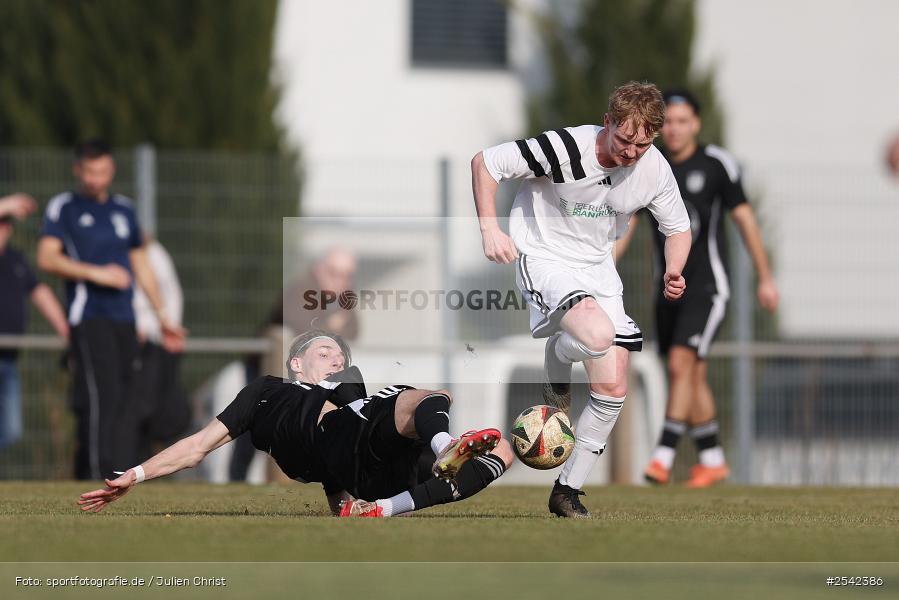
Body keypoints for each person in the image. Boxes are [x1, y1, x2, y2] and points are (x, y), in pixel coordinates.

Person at [471, 81, 692, 518]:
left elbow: (678, 228)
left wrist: (674, 269)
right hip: (544, 256)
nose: (630, 153)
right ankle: (560, 350)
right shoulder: (565, 148)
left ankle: (566, 490)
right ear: (608, 122)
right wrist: (489, 228)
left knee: (614, 384)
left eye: (642, 144)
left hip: (598, 268)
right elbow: (485, 163)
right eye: (624, 140)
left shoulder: (654, 169)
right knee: (596, 332)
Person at [77, 330, 513, 518]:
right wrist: (135, 474)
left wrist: (342, 504)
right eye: (325, 352)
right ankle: (446, 448)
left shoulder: (345, 389)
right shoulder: (266, 390)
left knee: (508, 450)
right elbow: (196, 447)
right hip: (352, 446)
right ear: (296, 362)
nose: (337, 359)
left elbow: (330, 470)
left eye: (340, 355)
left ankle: (391, 504)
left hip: (368, 467)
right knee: (434, 395)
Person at [616, 89, 779, 487]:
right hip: (667, 288)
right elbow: (629, 222)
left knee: (680, 364)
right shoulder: (648, 162)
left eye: (682, 121)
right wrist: (601, 266)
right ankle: (712, 459)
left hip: (709, 288)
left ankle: (663, 455)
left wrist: (766, 277)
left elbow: (745, 220)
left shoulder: (717, 164)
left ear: (696, 124)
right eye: (667, 121)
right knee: (691, 374)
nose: (673, 129)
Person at [37, 139, 185, 480]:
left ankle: (118, 471)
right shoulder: (65, 207)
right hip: (89, 318)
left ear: (111, 170)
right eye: (89, 172)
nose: (95, 179)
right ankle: (95, 472)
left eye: (101, 171)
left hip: (125, 320)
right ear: (78, 170)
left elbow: (141, 265)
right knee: (100, 398)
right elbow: (47, 257)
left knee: (123, 399)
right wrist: (96, 273)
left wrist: (163, 316)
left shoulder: (124, 210)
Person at [228, 246, 359, 481]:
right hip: (266, 366)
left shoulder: (341, 297)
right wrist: (333, 324)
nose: (342, 281)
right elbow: (301, 326)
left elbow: (353, 328)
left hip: (298, 372)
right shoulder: (302, 289)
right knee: (249, 423)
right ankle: (237, 479)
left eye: (347, 275)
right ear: (320, 269)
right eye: (336, 273)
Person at [0, 194, 69, 452]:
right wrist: (7, 204)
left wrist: (64, 329)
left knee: (11, 429)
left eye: (6, 222)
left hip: (8, 356)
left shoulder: (16, 259)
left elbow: (40, 293)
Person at [132, 236, 190, 461]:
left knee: (161, 412)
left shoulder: (156, 252)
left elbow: (171, 292)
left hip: (158, 341)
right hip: (140, 340)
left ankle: (145, 462)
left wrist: (170, 325)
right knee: (138, 412)